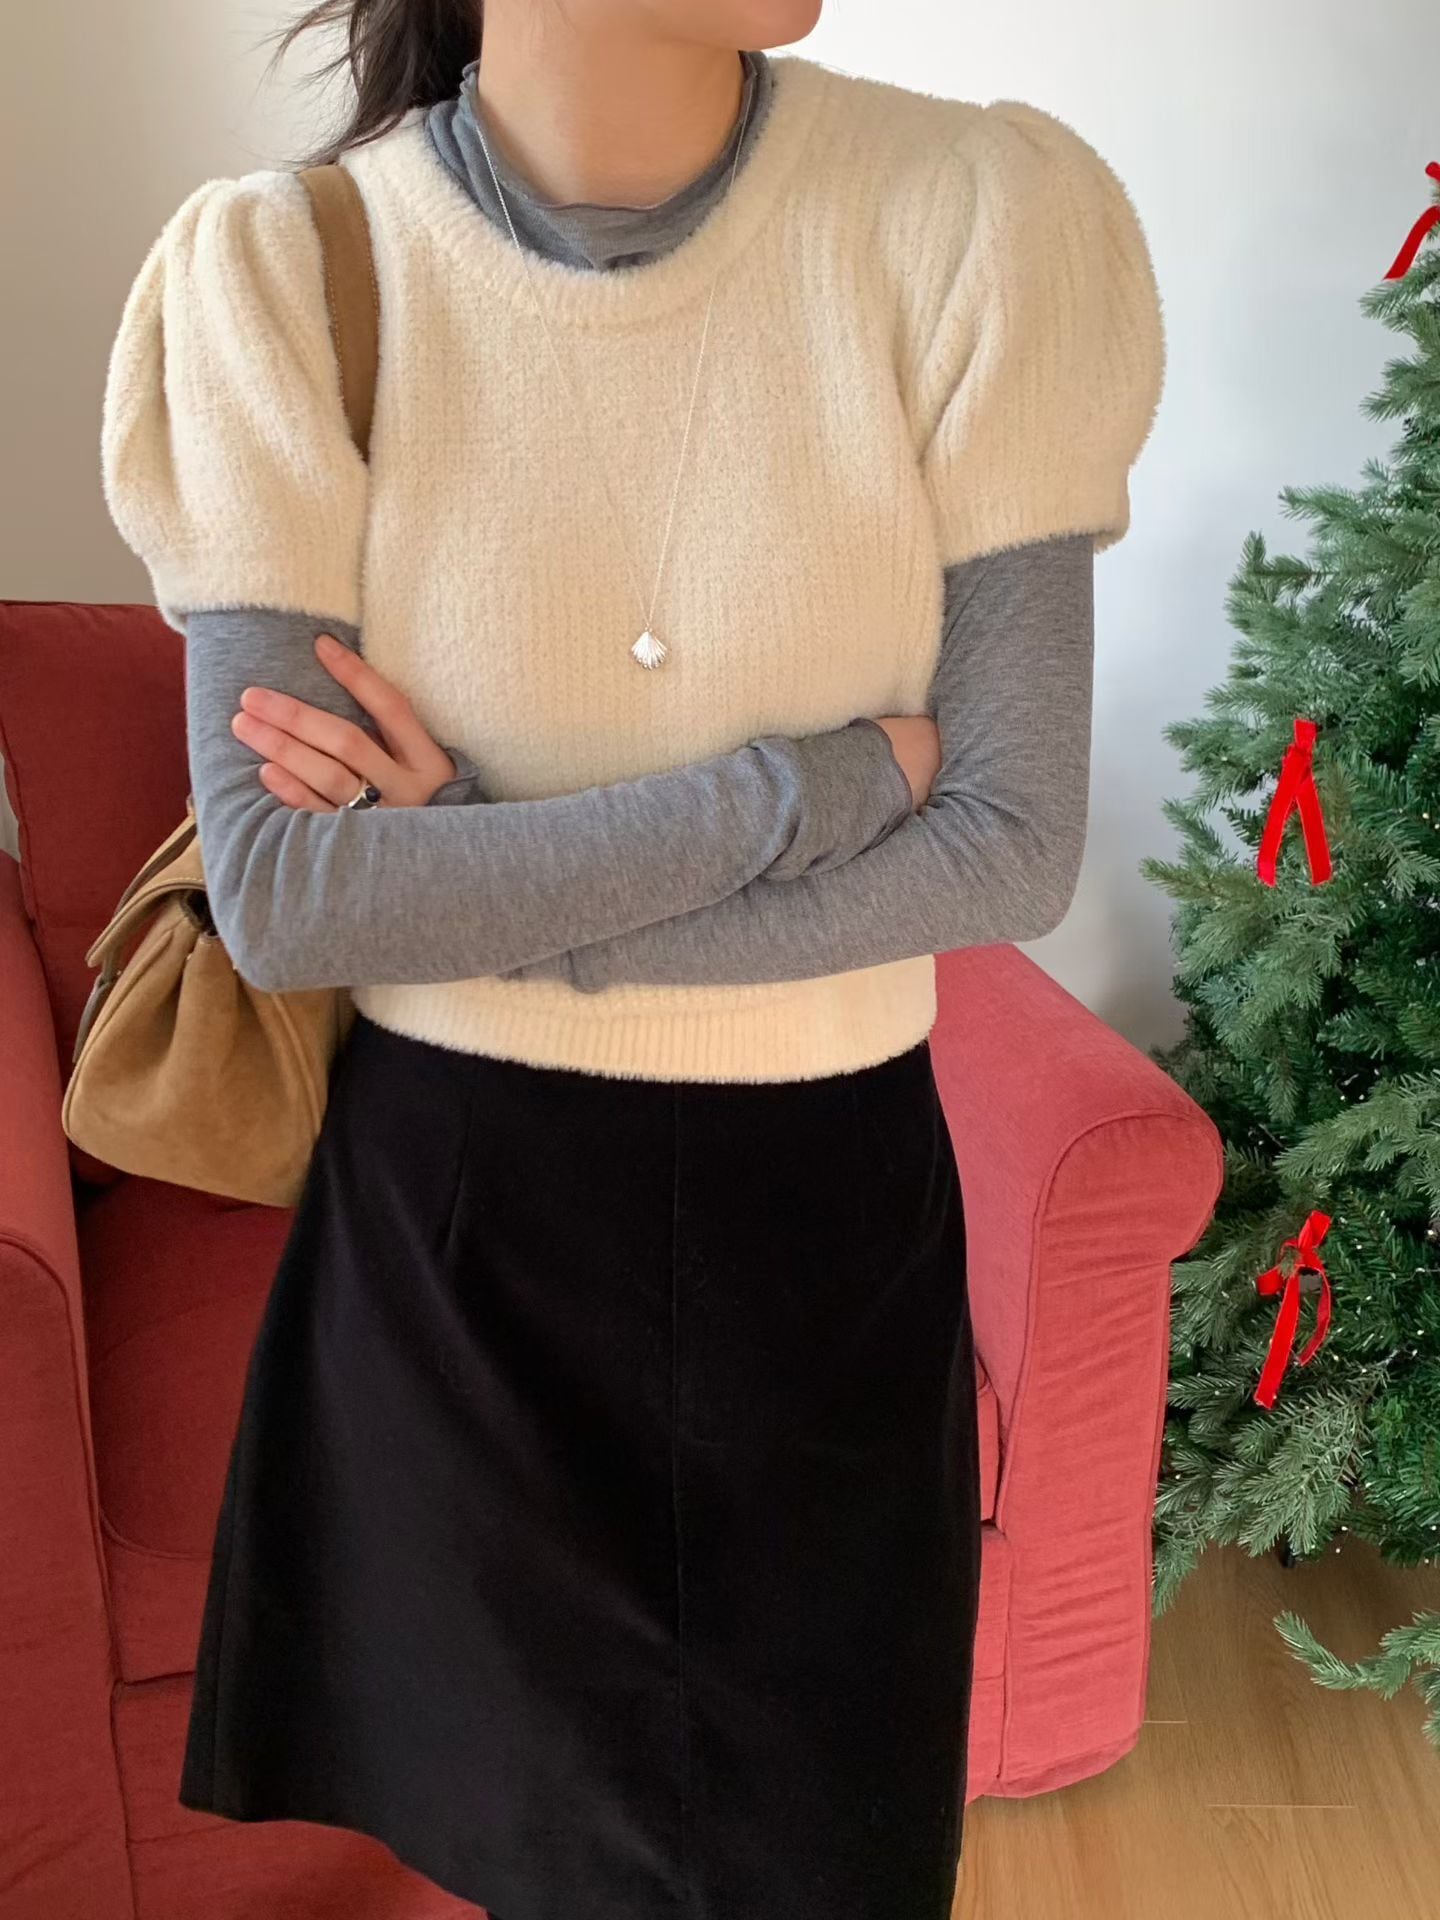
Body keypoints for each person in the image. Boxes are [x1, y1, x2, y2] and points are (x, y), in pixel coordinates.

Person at [98, 3, 1165, 1916]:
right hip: (457, 1241)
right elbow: (289, 895)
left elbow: (1007, 841)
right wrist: (821, 787)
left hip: (831, 1226)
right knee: (530, 1862)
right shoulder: (292, 275)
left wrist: (482, 876)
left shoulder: (973, 216)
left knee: (834, 1860)